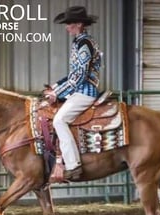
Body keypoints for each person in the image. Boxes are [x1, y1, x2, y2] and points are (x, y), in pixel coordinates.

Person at [44, 6, 102, 180]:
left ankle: (73, 164)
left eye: (69, 23)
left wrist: (57, 93)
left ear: (78, 24)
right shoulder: (80, 41)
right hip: (79, 90)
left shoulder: (84, 44)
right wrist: (56, 85)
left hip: (85, 91)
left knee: (59, 120)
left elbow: (80, 76)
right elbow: (74, 73)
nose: (66, 27)